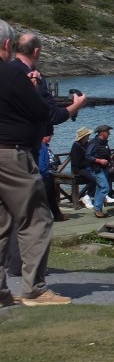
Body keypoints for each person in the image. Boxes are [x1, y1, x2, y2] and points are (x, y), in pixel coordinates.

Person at [0, 19, 71, 306]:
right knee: (38, 218)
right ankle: (34, 289)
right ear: (7, 45)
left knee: (2, 223)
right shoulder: (11, 75)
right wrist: (31, 88)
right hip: (11, 153)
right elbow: (42, 112)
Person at [10, 32, 87, 135]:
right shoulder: (34, 77)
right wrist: (77, 105)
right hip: (20, 143)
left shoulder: (5, 70)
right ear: (36, 52)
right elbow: (53, 116)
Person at [86, 124, 114, 218]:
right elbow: (88, 156)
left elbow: (107, 154)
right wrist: (99, 160)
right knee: (105, 188)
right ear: (102, 133)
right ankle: (97, 208)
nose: (109, 134)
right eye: (107, 132)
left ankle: (98, 209)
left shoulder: (104, 142)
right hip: (96, 169)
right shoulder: (93, 143)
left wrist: (111, 163)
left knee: (99, 188)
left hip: (104, 168)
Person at [38, 134, 66, 221]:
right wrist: (45, 173)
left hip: (49, 174)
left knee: (51, 196)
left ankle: (57, 215)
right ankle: (52, 216)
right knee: (48, 196)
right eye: (49, 136)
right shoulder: (41, 147)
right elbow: (41, 162)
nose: (51, 137)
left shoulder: (45, 147)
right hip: (45, 175)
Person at [70, 127, 98, 211]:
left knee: (99, 175)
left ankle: (95, 197)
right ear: (83, 137)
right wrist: (88, 163)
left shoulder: (85, 144)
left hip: (86, 167)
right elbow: (77, 162)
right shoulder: (76, 146)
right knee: (93, 179)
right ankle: (88, 196)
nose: (89, 137)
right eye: (87, 135)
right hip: (78, 169)